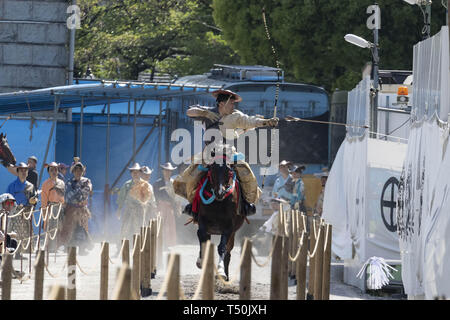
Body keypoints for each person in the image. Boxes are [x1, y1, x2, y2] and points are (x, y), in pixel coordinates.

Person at [174, 89, 278, 219]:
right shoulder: (208, 112)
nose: (233, 106)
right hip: (209, 155)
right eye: (231, 104)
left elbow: (249, 121)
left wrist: (267, 122)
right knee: (190, 176)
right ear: (222, 104)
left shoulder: (235, 115)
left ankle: (246, 204)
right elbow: (189, 112)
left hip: (228, 155)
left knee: (248, 175)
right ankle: (192, 206)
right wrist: (204, 113)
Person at [59, 158, 93, 255]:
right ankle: (69, 248)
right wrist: (79, 193)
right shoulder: (69, 182)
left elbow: (86, 193)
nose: (78, 172)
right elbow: (68, 196)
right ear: (73, 171)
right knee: (70, 228)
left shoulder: (87, 181)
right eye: (76, 170)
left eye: (80, 170)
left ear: (83, 171)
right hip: (71, 210)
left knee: (82, 228)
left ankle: (82, 249)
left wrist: (77, 193)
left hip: (82, 210)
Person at [116, 163, 152, 246]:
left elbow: (148, 197)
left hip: (140, 209)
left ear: (140, 173)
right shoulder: (127, 184)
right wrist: (119, 209)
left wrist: (146, 206)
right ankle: (121, 246)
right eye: (133, 172)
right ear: (131, 173)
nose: (135, 174)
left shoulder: (144, 184)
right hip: (128, 209)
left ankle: (139, 246)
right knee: (125, 227)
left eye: (137, 172)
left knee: (139, 228)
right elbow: (121, 197)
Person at [6, 162, 37, 254]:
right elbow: (7, 199)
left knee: (26, 232)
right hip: (15, 213)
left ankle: (24, 251)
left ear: (27, 173)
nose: (23, 172)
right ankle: (14, 251)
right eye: (21, 170)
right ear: (18, 172)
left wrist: (33, 201)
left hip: (26, 213)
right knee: (14, 232)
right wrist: (14, 206)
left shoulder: (31, 186)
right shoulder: (12, 186)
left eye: (25, 170)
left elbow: (34, 200)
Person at [41, 162, 66, 251]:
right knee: (51, 228)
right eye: (52, 170)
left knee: (60, 228)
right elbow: (44, 200)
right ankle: (51, 248)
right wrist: (44, 214)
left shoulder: (61, 183)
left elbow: (63, 197)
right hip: (50, 208)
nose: (54, 172)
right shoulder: (45, 184)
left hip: (60, 207)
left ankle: (58, 246)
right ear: (48, 172)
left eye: (55, 169)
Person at [154, 162, 178, 249]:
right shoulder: (157, 183)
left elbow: (176, 197)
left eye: (169, 171)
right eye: (166, 170)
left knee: (169, 227)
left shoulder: (173, 183)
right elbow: (155, 196)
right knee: (160, 226)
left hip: (170, 208)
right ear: (163, 171)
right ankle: (159, 244)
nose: (168, 172)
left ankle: (167, 245)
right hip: (160, 207)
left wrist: (175, 206)